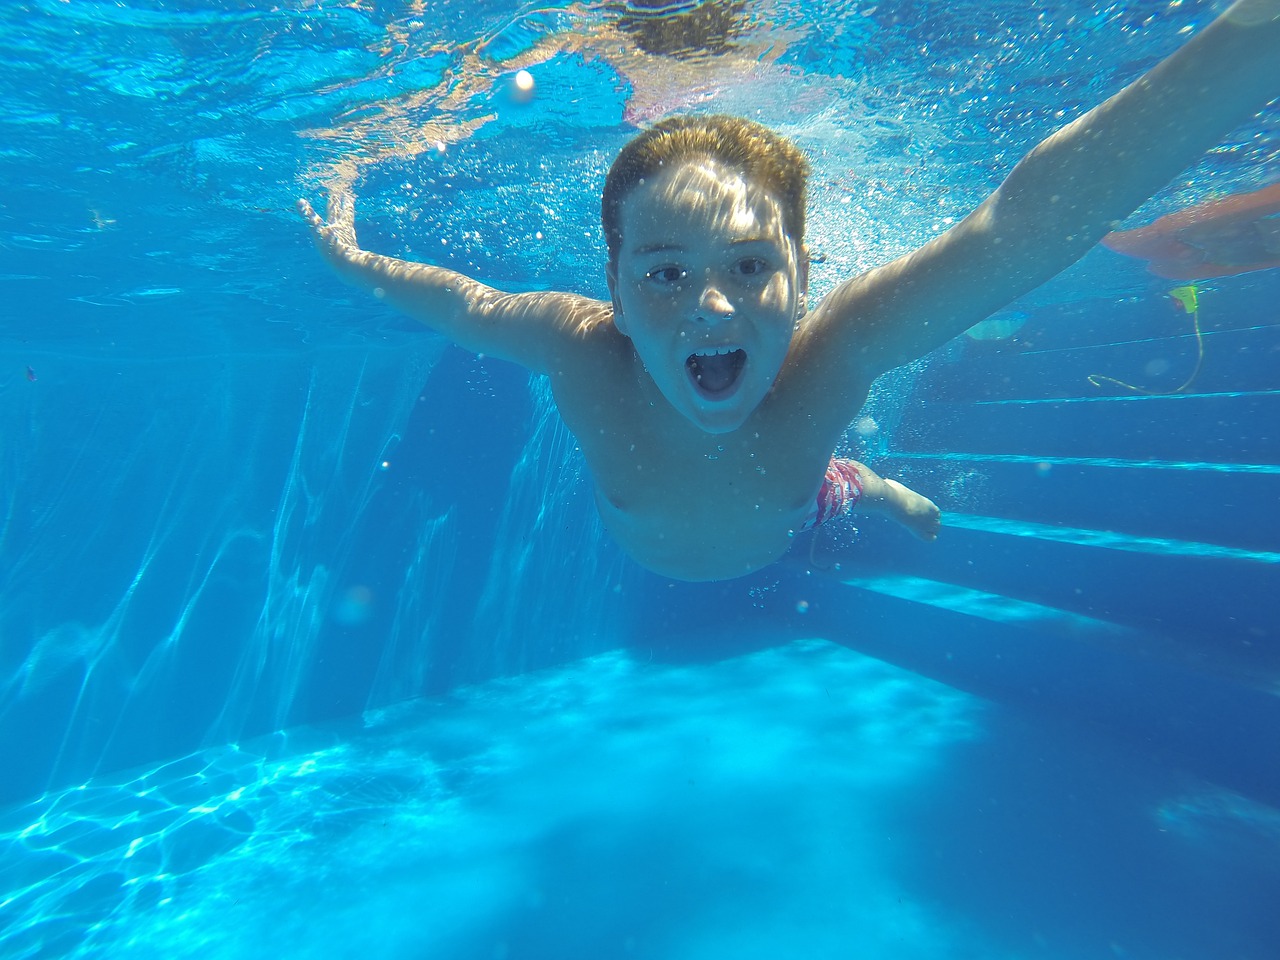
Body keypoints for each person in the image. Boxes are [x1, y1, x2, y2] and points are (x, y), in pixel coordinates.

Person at [300, 0, 1280, 582]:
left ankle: (870, 486)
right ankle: (865, 482)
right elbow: (460, 301)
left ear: (805, 274)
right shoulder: (577, 344)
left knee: (826, 481)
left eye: (750, 265)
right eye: (665, 273)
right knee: (818, 472)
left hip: (788, 521)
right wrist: (349, 259)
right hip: (759, 511)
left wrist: (1248, 40)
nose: (710, 307)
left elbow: (1015, 228)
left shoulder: (833, 353)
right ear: (612, 284)